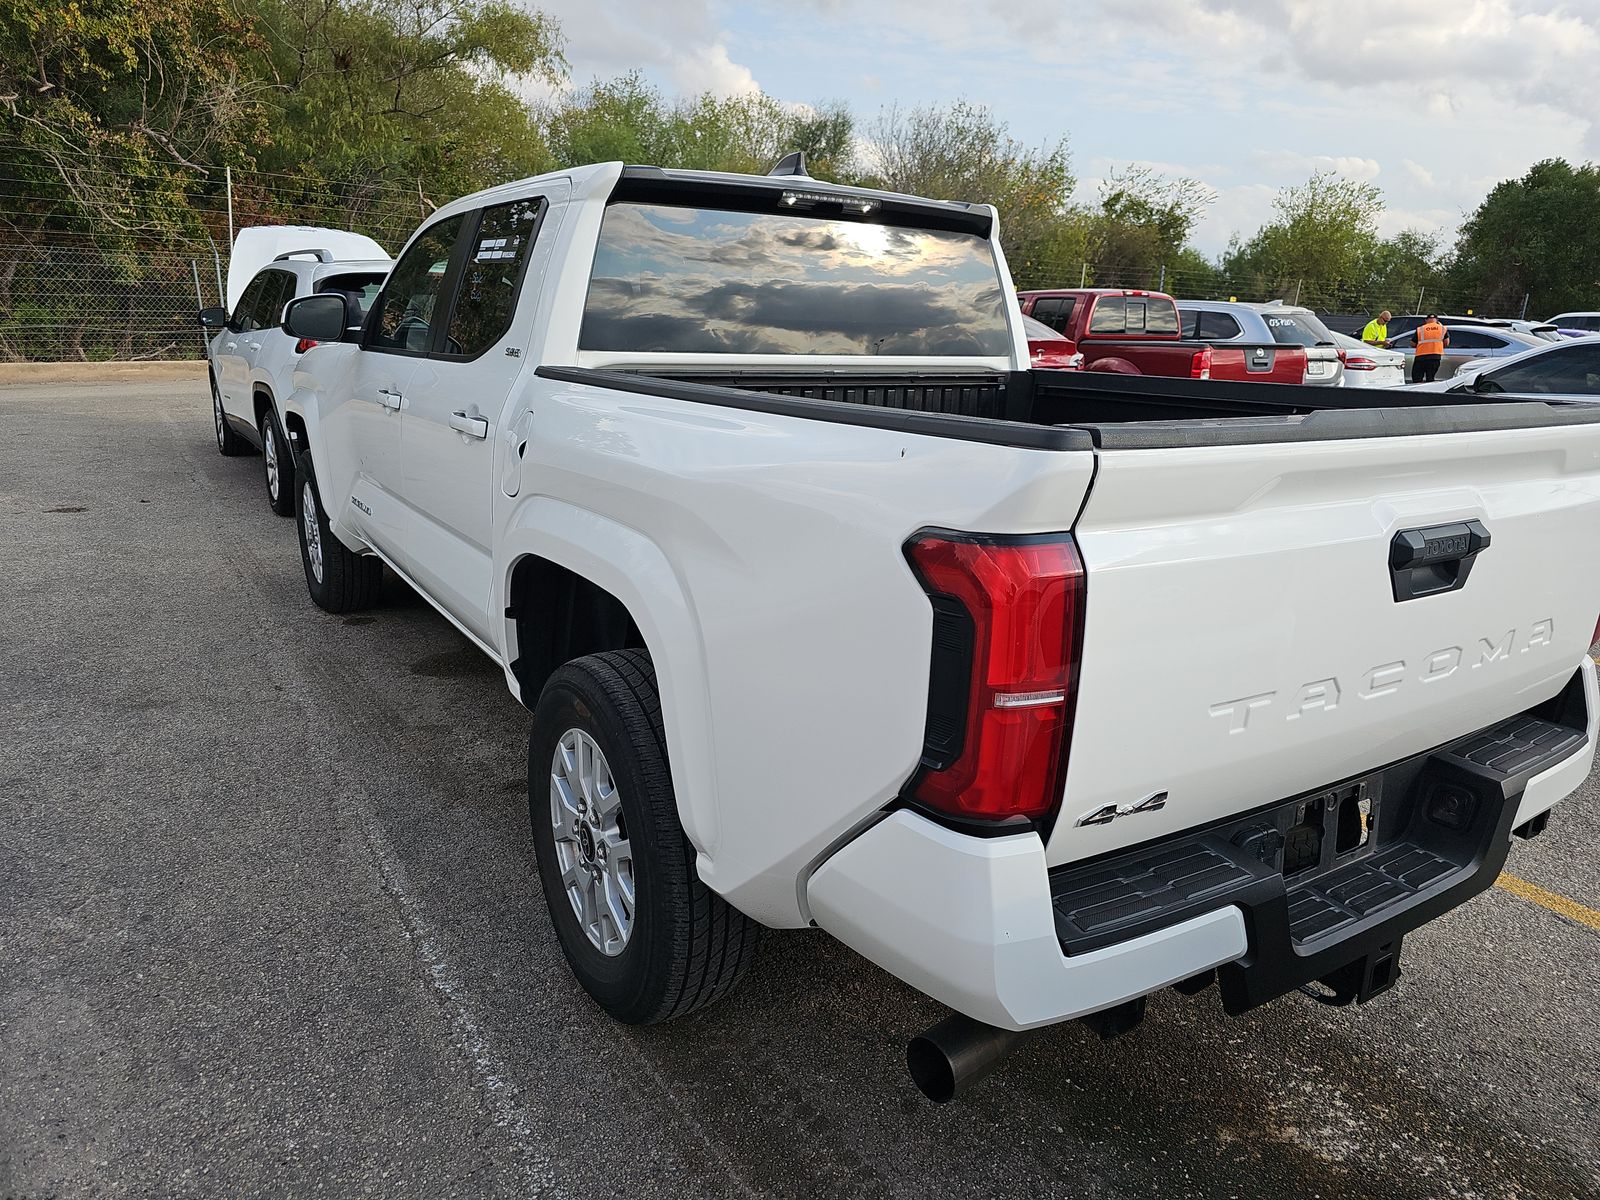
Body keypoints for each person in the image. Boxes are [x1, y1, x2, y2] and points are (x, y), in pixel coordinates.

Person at [1413, 314, 1449, 383]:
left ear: (1426, 320)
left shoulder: (1421, 329)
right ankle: (1429, 392)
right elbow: (1446, 343)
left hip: (1421, 357)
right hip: (1435, 357)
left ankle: (1416, 392)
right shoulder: (1442, 328)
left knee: (1417, 379)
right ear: (1437, 320)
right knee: (1430, 379)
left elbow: (1413, 343)